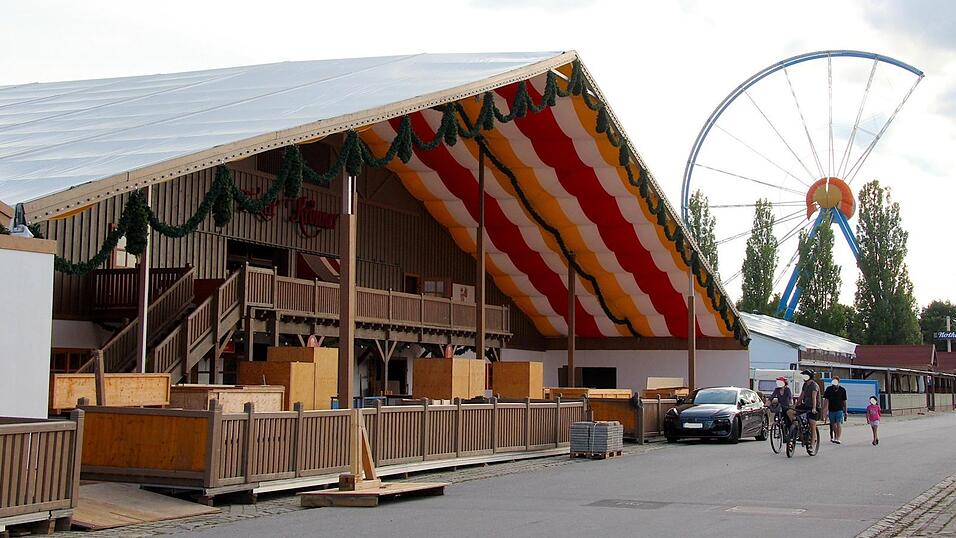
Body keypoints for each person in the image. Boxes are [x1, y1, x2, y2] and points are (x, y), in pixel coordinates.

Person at [788, 369, 820, 449]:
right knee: (790, 412)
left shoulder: (814, 385)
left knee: (812, 423)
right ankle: (796, 427)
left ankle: (812, 443)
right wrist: (795, 405)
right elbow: (801, 396)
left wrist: (813, 408)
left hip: (814, 406)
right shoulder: (805, 385)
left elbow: (814, 397)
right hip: (805, 405)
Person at [823, 377, 848, 444]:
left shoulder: (842, 390)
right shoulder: (828, 389)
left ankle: (838, 438)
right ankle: (836, 435)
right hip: (831, 409)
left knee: (838, 423)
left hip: (839, 409)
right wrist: (825, 411)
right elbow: (826, 400)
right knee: (833, 424)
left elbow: (844, 401)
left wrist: (845, 411)